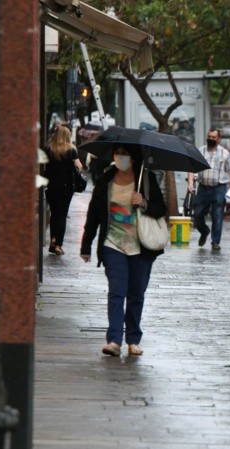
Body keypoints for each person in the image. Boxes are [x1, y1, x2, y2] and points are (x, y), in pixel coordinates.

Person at [80, 146, 167, 357]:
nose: (120, 157)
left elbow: (162, 208)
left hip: (141, 247)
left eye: (125, 153)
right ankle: (114, 340)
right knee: (117, 291)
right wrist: (86, 244)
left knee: (136, 294)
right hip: (113, 244)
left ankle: (133, 339)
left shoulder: (146, 180)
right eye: (117, 152)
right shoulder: (105, 180)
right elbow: (93, 215)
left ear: (134, 157)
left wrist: (144, 203)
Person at [188, 128, 230, 250]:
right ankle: (204, 231)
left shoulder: (224, 153)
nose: (211, 139)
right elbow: (192, 167)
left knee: (217, 215)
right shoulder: (200, 151)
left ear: (218, 139)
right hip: (203, 188)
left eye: (214, 137)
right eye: (209, 136)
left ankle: (215, 242)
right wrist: (190, 183)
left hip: (219, 188)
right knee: (197, 215)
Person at [43, 124, 83, 256]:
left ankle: (53, 241)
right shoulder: (71, 150)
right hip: (66, 187)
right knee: (62, 214)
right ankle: (57, 244)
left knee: (55, 214)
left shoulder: (48, 148)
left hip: (51, 186)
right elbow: (79, 166)